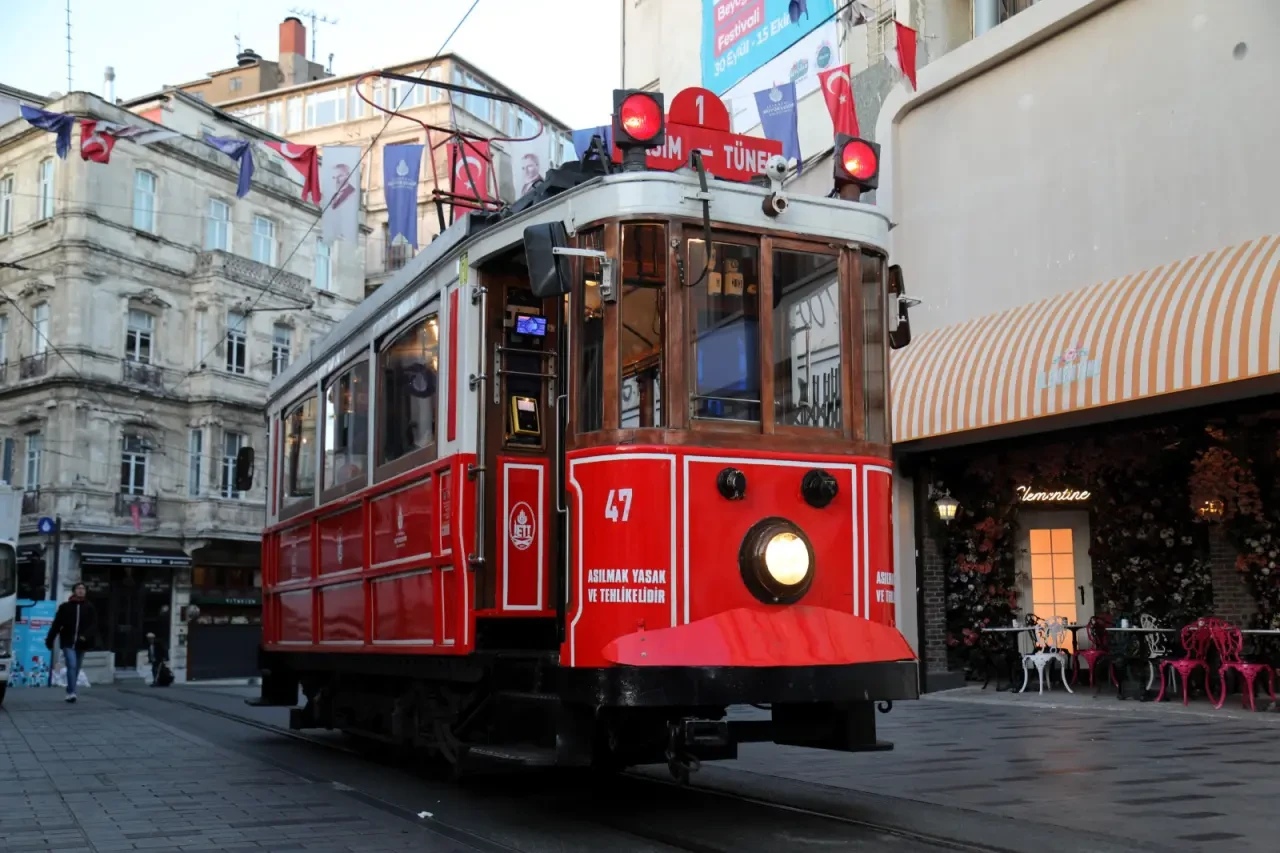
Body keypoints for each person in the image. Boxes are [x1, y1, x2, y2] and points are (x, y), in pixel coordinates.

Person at [45, 582, 96, 702]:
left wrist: (85, 636)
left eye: (83, 588)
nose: (80, 590)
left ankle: (70, 689)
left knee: (77, 667)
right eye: (78, 588)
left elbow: (94, 624)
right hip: (68, 642)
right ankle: (72, 692)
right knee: (71, 665)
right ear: (74, 591)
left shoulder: (89, 607)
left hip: (82, 643)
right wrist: (50, 640)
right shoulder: (65, 607)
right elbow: (57, 624)